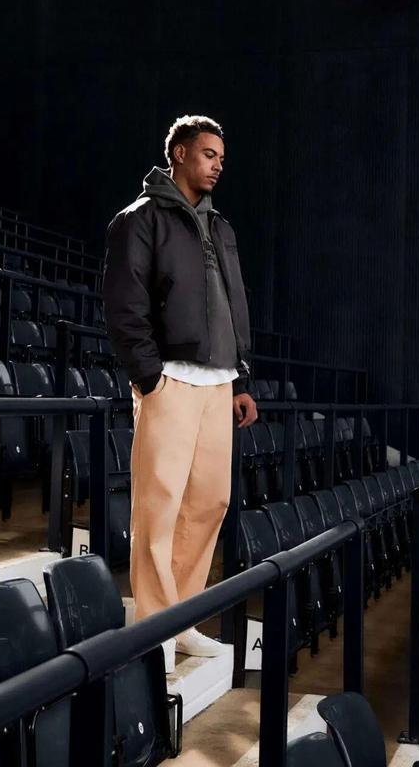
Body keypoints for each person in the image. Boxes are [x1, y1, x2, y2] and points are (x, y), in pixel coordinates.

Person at [103, 114, 258, 670]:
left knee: (209, 503)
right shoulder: (139, 219)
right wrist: (149, 376)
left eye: (222, 158)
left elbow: (232, 305)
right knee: (159, 504)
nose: (218, 165)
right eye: (209, 154)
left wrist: (239, 379)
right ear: (180, 154)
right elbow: (124, 305)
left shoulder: (221, 227)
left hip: (218, 382)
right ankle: (153, 627)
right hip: (169, 378)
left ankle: (182, 618)